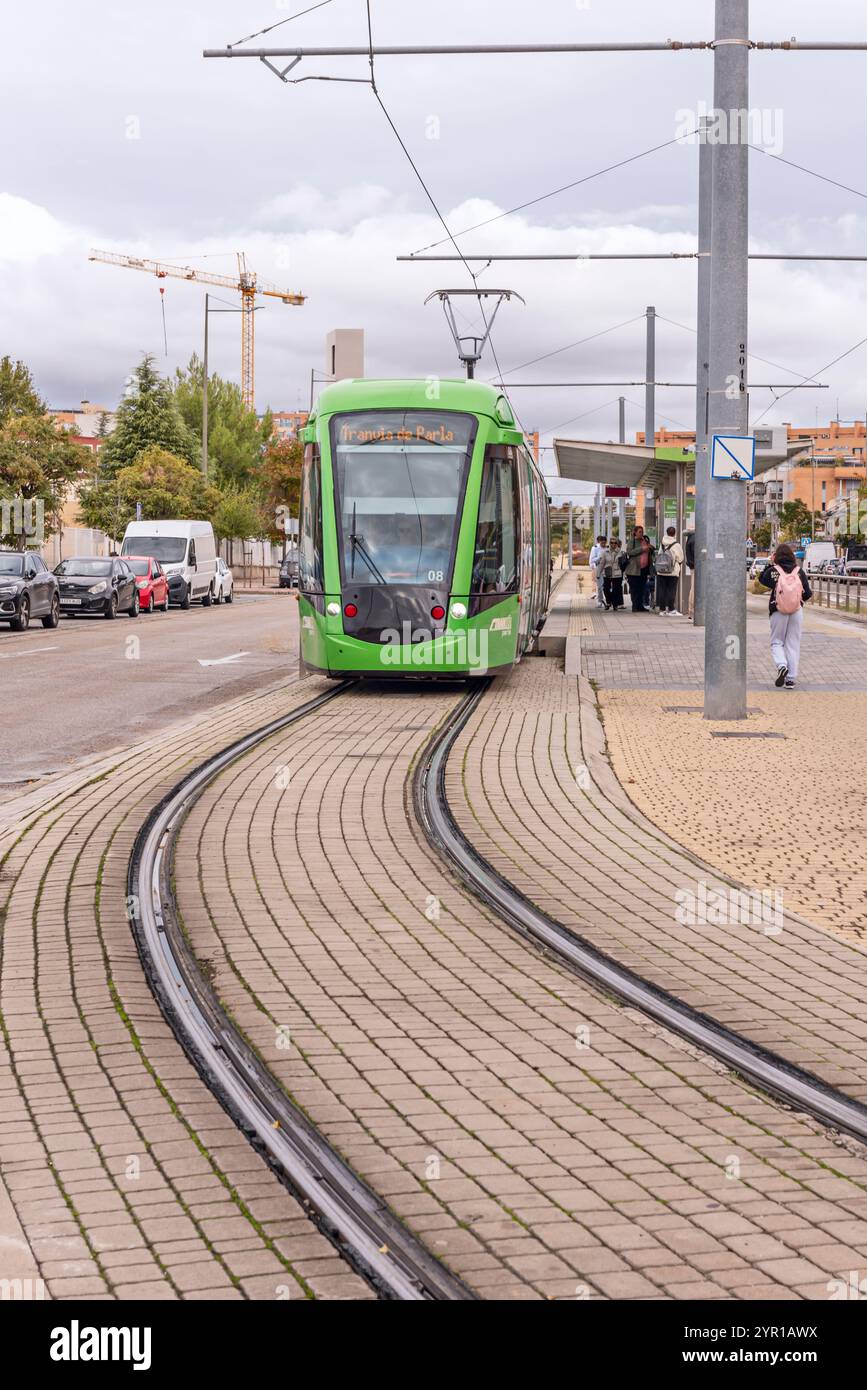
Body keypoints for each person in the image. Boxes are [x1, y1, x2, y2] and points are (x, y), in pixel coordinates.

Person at [758, 542, 812, 688]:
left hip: (778, 610)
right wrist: (795, 601)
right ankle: (790, 679)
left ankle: (781, 665)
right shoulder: (799, 572)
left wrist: (770, 564)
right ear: (791, 556)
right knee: (792, 643)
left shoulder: (773, 571)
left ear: (776, 556)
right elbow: (807, 594)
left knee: (777, 641)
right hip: (796, 611)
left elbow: (761, 579)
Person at [655, 525, 685, 615]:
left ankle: (662, 609)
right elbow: (680, 558)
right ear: (674, 533)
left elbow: (659, 554)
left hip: (661, 571)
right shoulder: (676, 545)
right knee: (671, 590)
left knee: (662, 590)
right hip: (672, 572)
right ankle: (671, 609)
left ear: (667, 533)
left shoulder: (662, 544)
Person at [625, 526, 651, 612]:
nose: (641, 533)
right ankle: (635, 606)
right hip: (634, 570)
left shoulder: (645, 540)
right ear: (635, 532)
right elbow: (629, 552)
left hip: (643, 569)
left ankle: (640, 606)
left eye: (642, 532)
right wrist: (642, 548)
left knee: (641, 588)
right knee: (634, 589)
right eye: (639, 532)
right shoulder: (632, 541)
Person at [602, 538, 624, 611]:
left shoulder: (621, 552)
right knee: (605, 588)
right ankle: (608, 601)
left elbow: (623, 564)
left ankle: (615, 605)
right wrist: (598, 574)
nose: (613, 544)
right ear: (609, 543)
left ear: (617, 544)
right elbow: (602, 563)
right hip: (607, 573)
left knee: (616, 590)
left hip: (617, 573)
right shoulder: (605, 552)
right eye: (611, 543)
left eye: (615, 543)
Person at [588, 534, 606, 605]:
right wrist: (599, 558)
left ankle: (606, 600)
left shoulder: (607, 548)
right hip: (598, 568)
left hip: (606, 569)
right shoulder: (595, 548)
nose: (603, 544)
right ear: (599, 542)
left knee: (606, 586)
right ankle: (599, 601)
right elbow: (592, 559)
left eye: (605, 542)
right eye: (602, 543)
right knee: (599, 586)